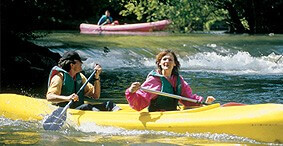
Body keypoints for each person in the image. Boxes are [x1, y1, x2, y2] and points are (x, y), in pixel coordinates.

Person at [125, 50, 215, 112]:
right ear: (159, 63)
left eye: (170, 60)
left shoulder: (179, 80)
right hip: (157, 114)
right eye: (164, 59)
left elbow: (188, 98)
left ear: (174, 64)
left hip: (172, 113)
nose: (167, 61)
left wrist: (204, 103)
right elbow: (140, 102)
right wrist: (131, 92)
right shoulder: (154, 80)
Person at [46, 51, 119, 111]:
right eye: (79, 62)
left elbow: (95, 95)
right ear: (72, 65)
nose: (82, 63)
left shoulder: (80, 77)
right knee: (87, 106)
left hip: (79, 108)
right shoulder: (59, 77)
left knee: (109, 104)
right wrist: (68, 98)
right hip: (66, 110)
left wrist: (96, 77)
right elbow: (49, 97)